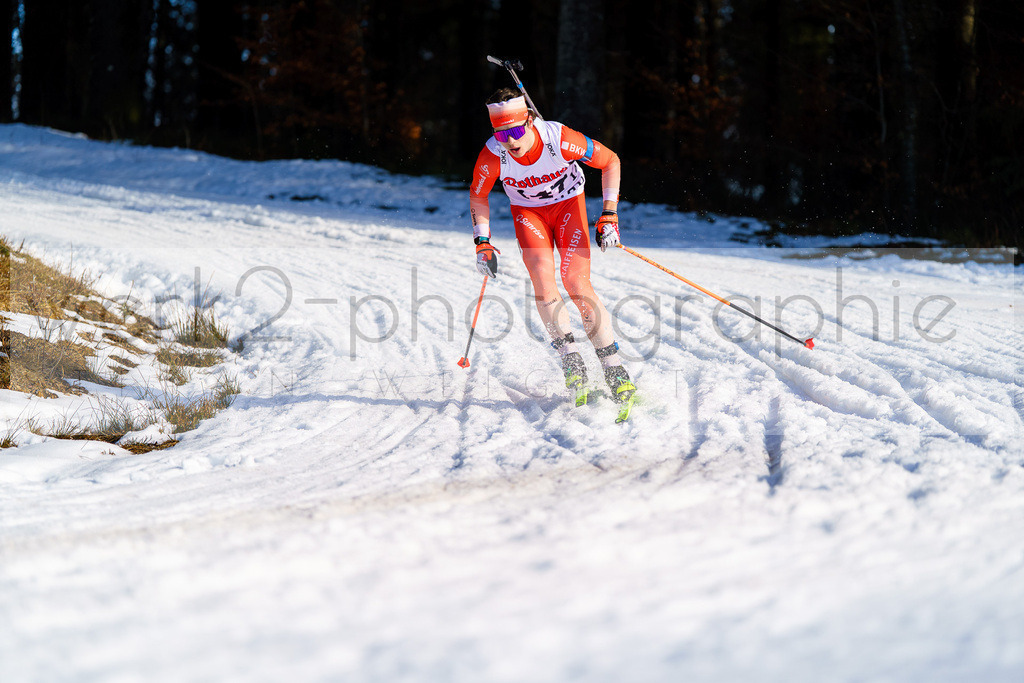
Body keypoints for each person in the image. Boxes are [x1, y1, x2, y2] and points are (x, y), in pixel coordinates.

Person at [469, 87, 636, 404]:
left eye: (517, 130)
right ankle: (572, 362)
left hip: (568, 207)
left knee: (576, 281)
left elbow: (610, 160)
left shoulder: (558, 138)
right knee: (543, 280)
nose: (511, 141)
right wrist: (483, 242)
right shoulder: (493, 154)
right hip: (528, 214)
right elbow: (478, 195)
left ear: (530, 121)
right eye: (501, 134)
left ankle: (615, 371)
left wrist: (609, 215)